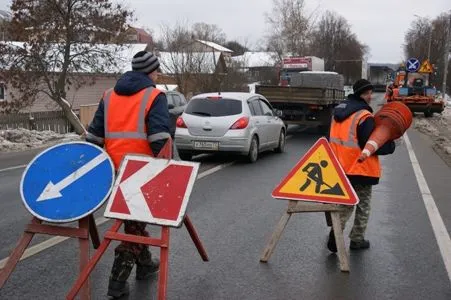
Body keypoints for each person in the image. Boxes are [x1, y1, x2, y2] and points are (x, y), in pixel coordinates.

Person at [85, 51, 171, 298]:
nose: (157, 74)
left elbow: (94, 137)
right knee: (133, 226)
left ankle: (145, 265)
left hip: (112, 170)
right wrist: (170, 170)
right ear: (151, 72)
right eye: (156, 70)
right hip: (142, 171)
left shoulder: (109, 96)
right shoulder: (155, 96)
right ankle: (117, 281)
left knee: (133, 220)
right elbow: (159, 140)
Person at [327, 79, 396, 252]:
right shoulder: (364, 116)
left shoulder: (339, 112)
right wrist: (390, 145)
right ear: (361, 94)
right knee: (361, 204)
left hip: (339, 166)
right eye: (368, 93)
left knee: (343, 202)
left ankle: (335, 232)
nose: (370, 96)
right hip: (360, 168)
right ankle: (355, 239)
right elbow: (371, 144)